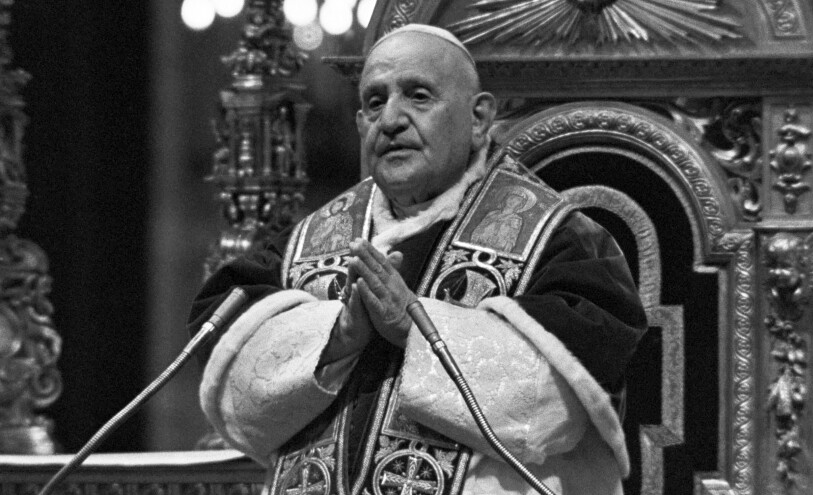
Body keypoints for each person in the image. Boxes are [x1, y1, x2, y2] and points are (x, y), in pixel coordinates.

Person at [189, 24, 647, 495]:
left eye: (418, 96)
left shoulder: (561, 240)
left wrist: (414, 330)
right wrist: (338, 339)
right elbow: (232, 375)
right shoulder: (312, 240)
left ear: (479, 118)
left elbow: (562, 410)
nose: (390, 119)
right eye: (373, 102)